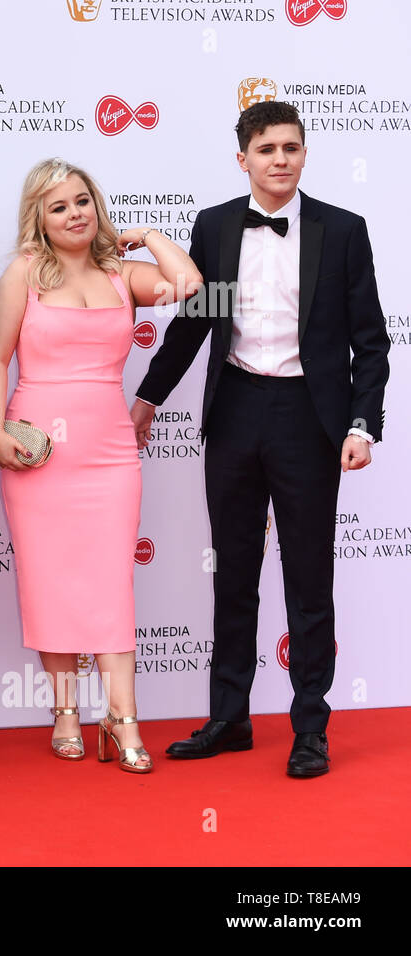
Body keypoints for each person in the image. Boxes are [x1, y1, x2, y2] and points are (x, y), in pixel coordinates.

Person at [130, 101, 390, 777]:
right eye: (268, 149)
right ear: (242, 158)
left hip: (311, 416)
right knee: (234, 571)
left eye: (292, 148)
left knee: (309, 576)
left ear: (305, 155)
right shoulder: (216, 227)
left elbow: (370, 341)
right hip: (237, 409)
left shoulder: (344, 230)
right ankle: (229, 717)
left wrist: (363, 424)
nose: (281, 159)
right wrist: (150, 395)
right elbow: (194, 322)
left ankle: (311, 729)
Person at [0, 158, 201, 773]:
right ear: (39, 219)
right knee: (50, 578)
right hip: (40, 451)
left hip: (109, 451)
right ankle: (65, 714)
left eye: (83, 201)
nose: (74, 213)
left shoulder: (122, 274)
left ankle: (123, 717)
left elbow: (188, 285)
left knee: (110, 581)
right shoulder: (22, 275)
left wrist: (149, 236)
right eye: (59, 206)